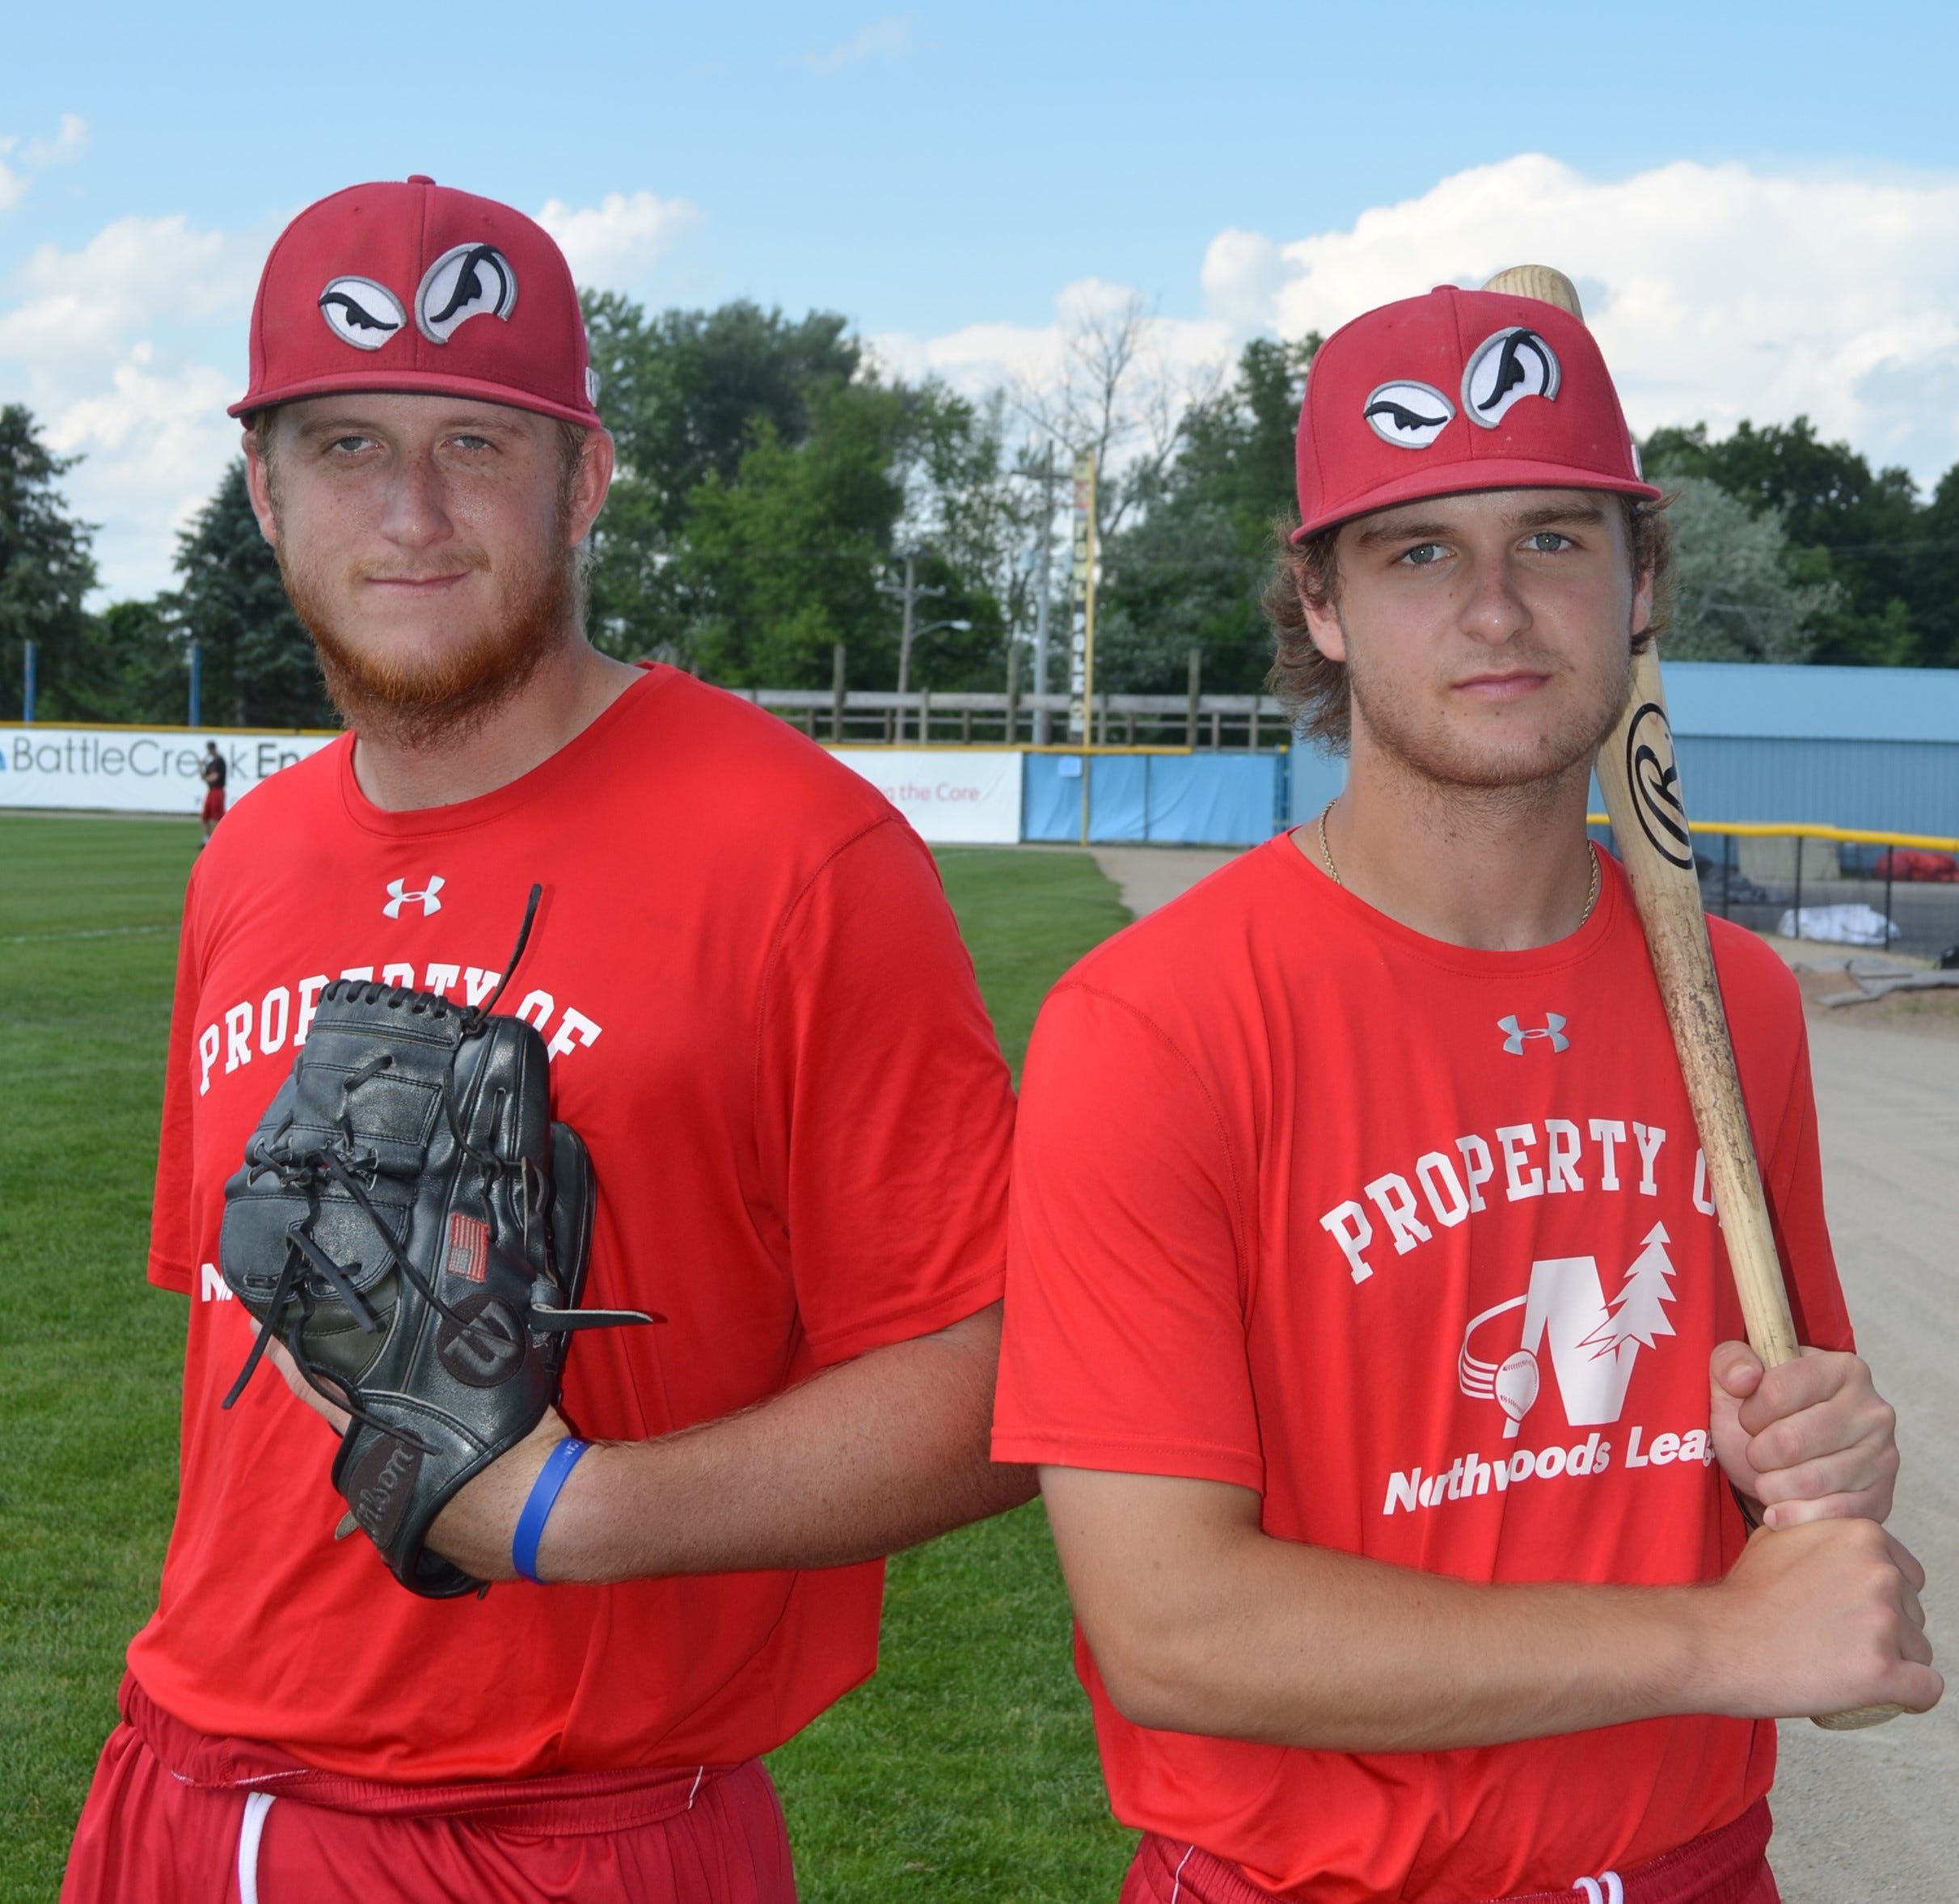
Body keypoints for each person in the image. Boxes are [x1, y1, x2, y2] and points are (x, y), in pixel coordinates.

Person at [62, 176, 1030, 1903]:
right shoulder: (252, 862)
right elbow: (237, 1353)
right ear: (266, 489)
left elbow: (1015, 1373)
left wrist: (555, 1508)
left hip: (567, 1837)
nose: (411, 510)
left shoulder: (797, 853)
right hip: (178, 1791)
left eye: (476, 445)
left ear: (582, 478)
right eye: (347, 444)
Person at [991, 282, 1940, 1904]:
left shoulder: (1733, 1002)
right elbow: (1173, 1629)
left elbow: (1778, 1480)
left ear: (1638, 582)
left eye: (1550, 540)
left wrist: (1807, 1462)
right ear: (1324, 599)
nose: (1492, 608)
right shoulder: (1151, 1025)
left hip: (1694, 1868)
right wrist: (1714, 1636)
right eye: (1416, 550)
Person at [197, 740, 226, 842]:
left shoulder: (220, 762)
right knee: (205, 816)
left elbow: (215, 777)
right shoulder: (211, 763)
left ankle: (218, 840)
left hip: (218, 790)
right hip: (211, 790)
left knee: (217, 816)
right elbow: (203, 777)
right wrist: (200, 766)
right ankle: (206, 839)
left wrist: (206, 778)